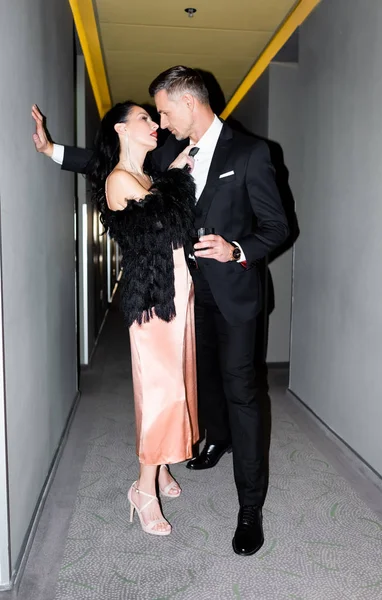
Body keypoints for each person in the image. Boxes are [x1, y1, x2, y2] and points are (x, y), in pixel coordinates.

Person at [32, 67, 289, 556]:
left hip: (231, 288)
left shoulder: (253, 153)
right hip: (182, 295)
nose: (162, 122)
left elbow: (277, 227)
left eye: (164, 111)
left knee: (242, 389)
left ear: (189, 103)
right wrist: (53, 152)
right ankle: (213, 439)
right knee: (198, 379)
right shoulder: (171, 153)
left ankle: (249, 505)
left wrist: (237, 248)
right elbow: (111, 161)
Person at [33, 100, 200, 536]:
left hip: (179, 289)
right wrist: (180, 178)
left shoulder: (147, 174)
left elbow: (169, 208)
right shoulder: (122, 180)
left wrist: (172, 175)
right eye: (145, 118)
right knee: (161, 390)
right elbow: (171, 222)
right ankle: (144, 490)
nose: (155, 124)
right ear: (122, 131)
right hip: (153, 297)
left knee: (177, 382)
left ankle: (159, 464)